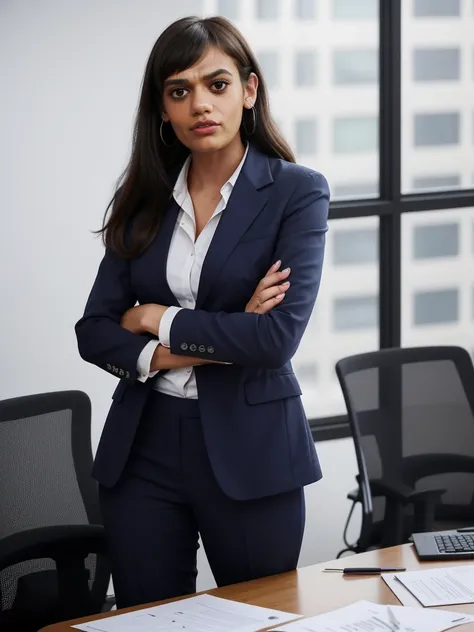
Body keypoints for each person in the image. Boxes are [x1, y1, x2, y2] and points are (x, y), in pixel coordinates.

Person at [75, 15, 329, 609]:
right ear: (163, 109)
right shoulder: (143, 197)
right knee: (148, 621)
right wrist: (207, 338)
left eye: (217, 84)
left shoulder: (297, 192)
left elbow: (274, 340)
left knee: (259, 617)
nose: (200, 105)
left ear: (249, 90)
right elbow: (93, 330)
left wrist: (155, 318)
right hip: (144, 449)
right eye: (179, 90)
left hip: (251, 448)